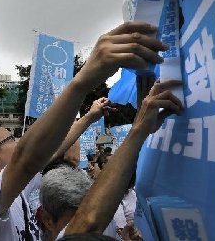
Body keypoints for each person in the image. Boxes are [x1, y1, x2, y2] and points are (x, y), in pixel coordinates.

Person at [0, 21, 168, 241]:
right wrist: (82, 81)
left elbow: (50, 150)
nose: (18, 141)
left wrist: (89, 117)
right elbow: (27, 158)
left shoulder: (15, 192)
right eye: (11, 138)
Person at [64, 79, 183, 237]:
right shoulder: (77, 226)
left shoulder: (132, 193)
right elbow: (88, 223)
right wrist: (139, 129)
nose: (92, 168)